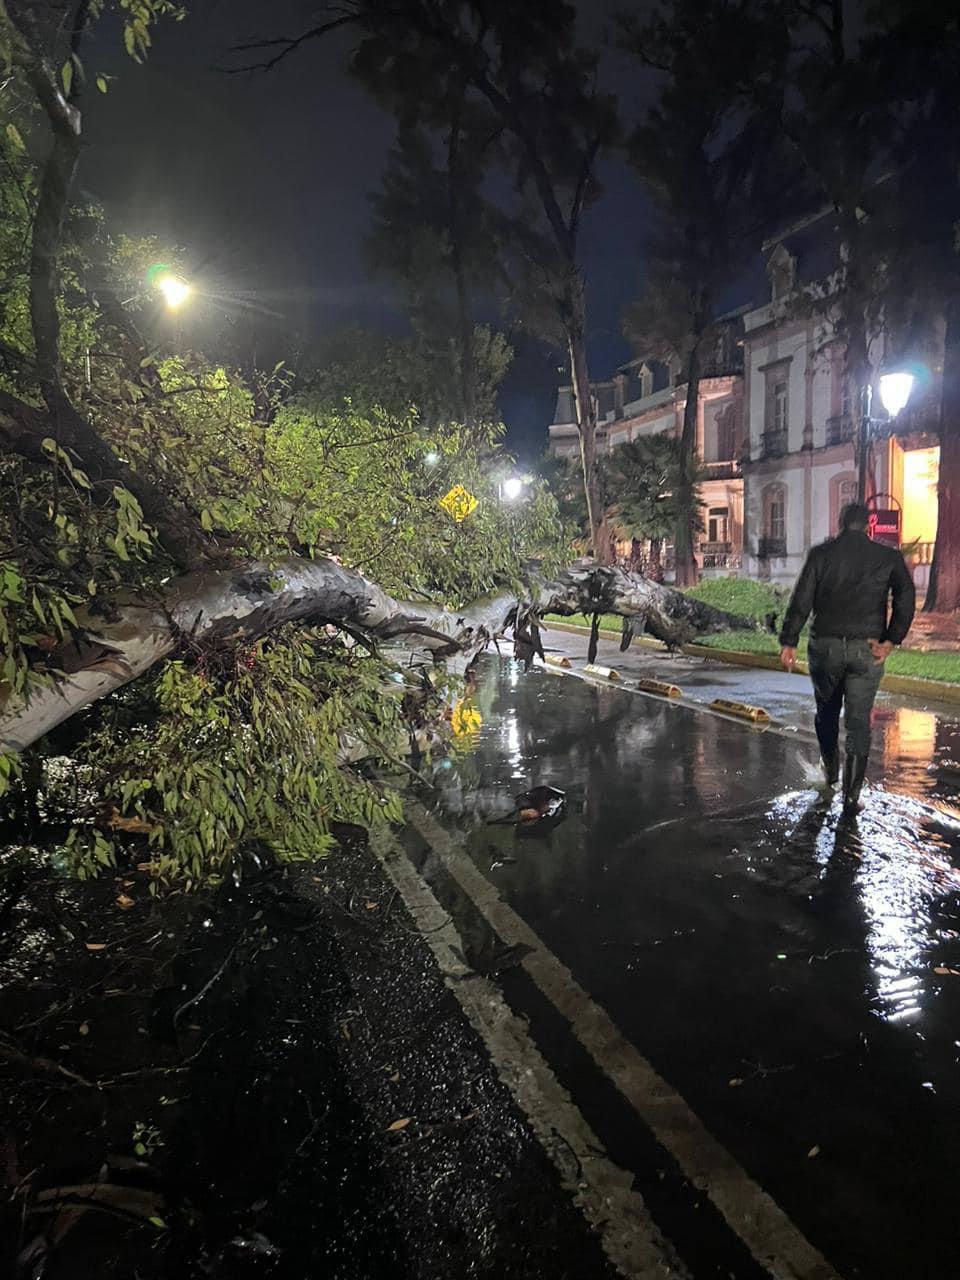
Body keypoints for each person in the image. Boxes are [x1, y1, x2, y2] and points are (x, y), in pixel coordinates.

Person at [778, 502, 915, 816]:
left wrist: (789, 641)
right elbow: (906, 597)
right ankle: (851, 797)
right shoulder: (888, 557)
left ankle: (830, 774)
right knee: (858, 723)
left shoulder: (821, 554)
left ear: (840, 523)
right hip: (867, 649)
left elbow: (802, 599)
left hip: (825, 647)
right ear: (868, 525)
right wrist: (891, 639)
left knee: (826, 714)